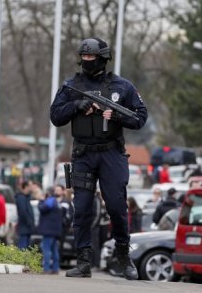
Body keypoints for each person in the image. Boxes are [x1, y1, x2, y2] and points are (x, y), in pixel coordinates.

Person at [50, 37, 148, 280]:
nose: (86, 62)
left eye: (91, 58)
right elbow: (55, 115)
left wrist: (116, 116)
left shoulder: (121, 86)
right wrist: (77, 105)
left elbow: (140, 117)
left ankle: (124, 257)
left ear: (102, 59)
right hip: (83, 153)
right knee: (81, 209)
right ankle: (83, 261)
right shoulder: (71, 85)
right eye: (83, 58)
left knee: (116, 206)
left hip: (111, 154)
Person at [38, 187, 63, 274]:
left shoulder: (50, 201)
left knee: (47, 249)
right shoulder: (56, 201)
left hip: (48, 230)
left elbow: (42, 209)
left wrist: (41, 201)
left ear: (48, 193)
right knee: (54, 250)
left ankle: (46, 268)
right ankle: (55, 268)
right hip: (55, 230)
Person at [15, 181, 35, 249]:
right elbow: (23, 212)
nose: (32, 187)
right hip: (24, 227)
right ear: (26, 187)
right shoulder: (21, 198)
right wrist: (29, 222)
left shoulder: (26, 197)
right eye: (31, 185)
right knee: (22, 247)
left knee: (25, 247)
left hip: (27, 227)